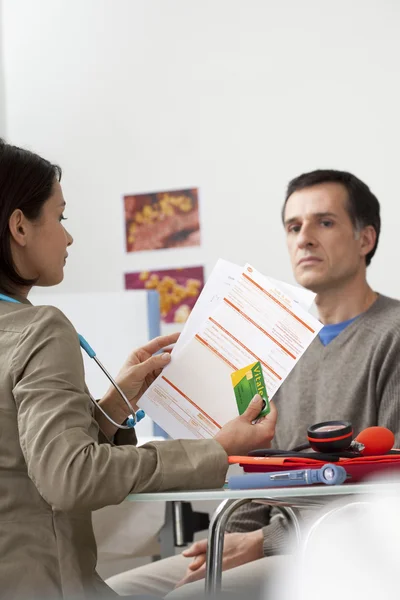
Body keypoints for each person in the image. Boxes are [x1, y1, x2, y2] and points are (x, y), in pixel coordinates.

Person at [0, 138, 278, 600]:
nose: (69, 237)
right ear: (19, 227)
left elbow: (20, 456)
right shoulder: (40, 328)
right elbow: (70, 477)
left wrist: (112, 405)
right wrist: (215, 449)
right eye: (60, 216)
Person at [107, 169, 400, 599]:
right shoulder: (276, 342)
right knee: (113, 591)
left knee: (186, 598)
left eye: (325, 222)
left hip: (341, 549)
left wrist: (262, 542)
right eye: (293, 226)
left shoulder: (393, 334)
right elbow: (255, 461)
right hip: (263, 537)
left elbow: (390, 489)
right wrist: (229, 540)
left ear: (365, 239)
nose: (304, 238)